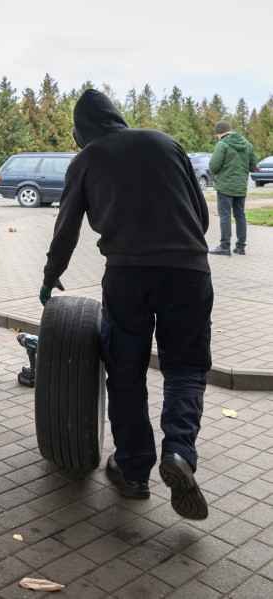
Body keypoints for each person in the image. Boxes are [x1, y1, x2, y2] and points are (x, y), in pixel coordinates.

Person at [39, 89, 213, 520]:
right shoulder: (165, 141)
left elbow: (67, 227)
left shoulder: (85, 160)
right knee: (185, 368)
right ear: (116, 116)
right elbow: (202, 217)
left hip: (127, 277)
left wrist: (50, 274)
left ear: (82, 130)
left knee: (126, 372)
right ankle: (179, 454)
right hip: (189, 272)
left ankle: (134, 472)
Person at [208, 120, 257, 256]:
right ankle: (241, 247)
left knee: (225, 215)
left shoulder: (222, 144)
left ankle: (224, 246)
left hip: (225, 186)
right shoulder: (247, 145)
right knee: (240, 215)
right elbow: (253, 165)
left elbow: (213, 166)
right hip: (241, 186)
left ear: (219, 133)